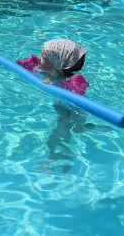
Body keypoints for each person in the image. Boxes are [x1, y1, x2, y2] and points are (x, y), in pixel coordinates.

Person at [16, 39, 91, 173]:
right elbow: (18, 67)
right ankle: (85, 128)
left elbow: (76, 96)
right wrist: (1, 64)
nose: (39, 58)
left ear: (57, 64)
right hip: (61, 110)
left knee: (59, 134)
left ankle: (60, 159)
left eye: (43, 57)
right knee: (72, 131)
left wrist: (58, 87)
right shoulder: (40, 68)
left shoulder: (71, 81)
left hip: (70, 113)